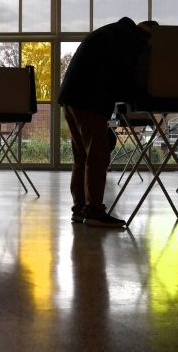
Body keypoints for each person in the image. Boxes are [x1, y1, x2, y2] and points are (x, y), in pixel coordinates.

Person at [58, 17, 157, 228]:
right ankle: (94, 211)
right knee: (97, 154)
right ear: (151, 35)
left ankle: (80, 209)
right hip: (88, 97)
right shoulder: (134, 39)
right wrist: (142, 98)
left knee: (82, 156)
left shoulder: (114, 32)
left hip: (70, 95)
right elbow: (127, 75)